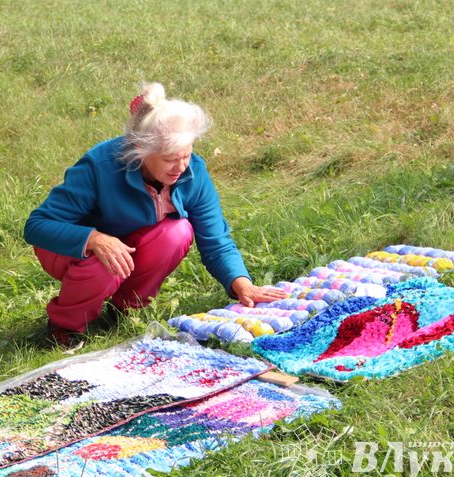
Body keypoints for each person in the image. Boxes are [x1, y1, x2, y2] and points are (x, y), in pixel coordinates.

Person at [25, 82, 287, 345]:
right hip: (71, 248)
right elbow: (37, 226)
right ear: (142, 150)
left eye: (186, 155)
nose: (181, 167)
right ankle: (65, 326)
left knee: (178, 232)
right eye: (169, 159)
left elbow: (216, 240)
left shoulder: (193, 172)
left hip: (128, 246)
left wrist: (241, 283)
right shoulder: (100, 165)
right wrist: (94, 239)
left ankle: (125, 309)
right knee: (107, 264)